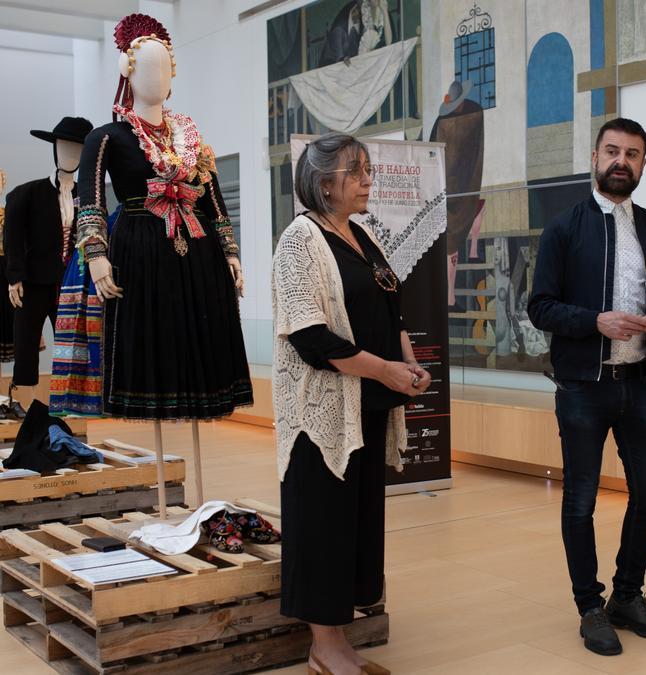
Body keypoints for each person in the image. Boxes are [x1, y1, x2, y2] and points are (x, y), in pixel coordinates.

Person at [527, 117, 646, 656]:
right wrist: (593, 321)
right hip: (582, 387)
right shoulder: (563, 229)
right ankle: (589, 607)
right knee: (580, 501)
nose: (622, 161)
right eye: (613, 151)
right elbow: (539, 307)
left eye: (634, 154)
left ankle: (626, 595)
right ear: (595, 157)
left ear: (644, 164)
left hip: (641, 384)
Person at [271, 132, 431, 675]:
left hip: (367, 404)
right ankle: (325, 647)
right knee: (323, 523)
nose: (368, 179)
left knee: (354, 521)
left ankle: (340, 637)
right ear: (323, 182)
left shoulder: (361, 235)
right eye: (355, 170)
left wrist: (406, 361)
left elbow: (392, 311)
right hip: (322, 412)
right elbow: (311, 337)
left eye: (367, 168)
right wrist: (384, 369)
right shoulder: (299, 241)